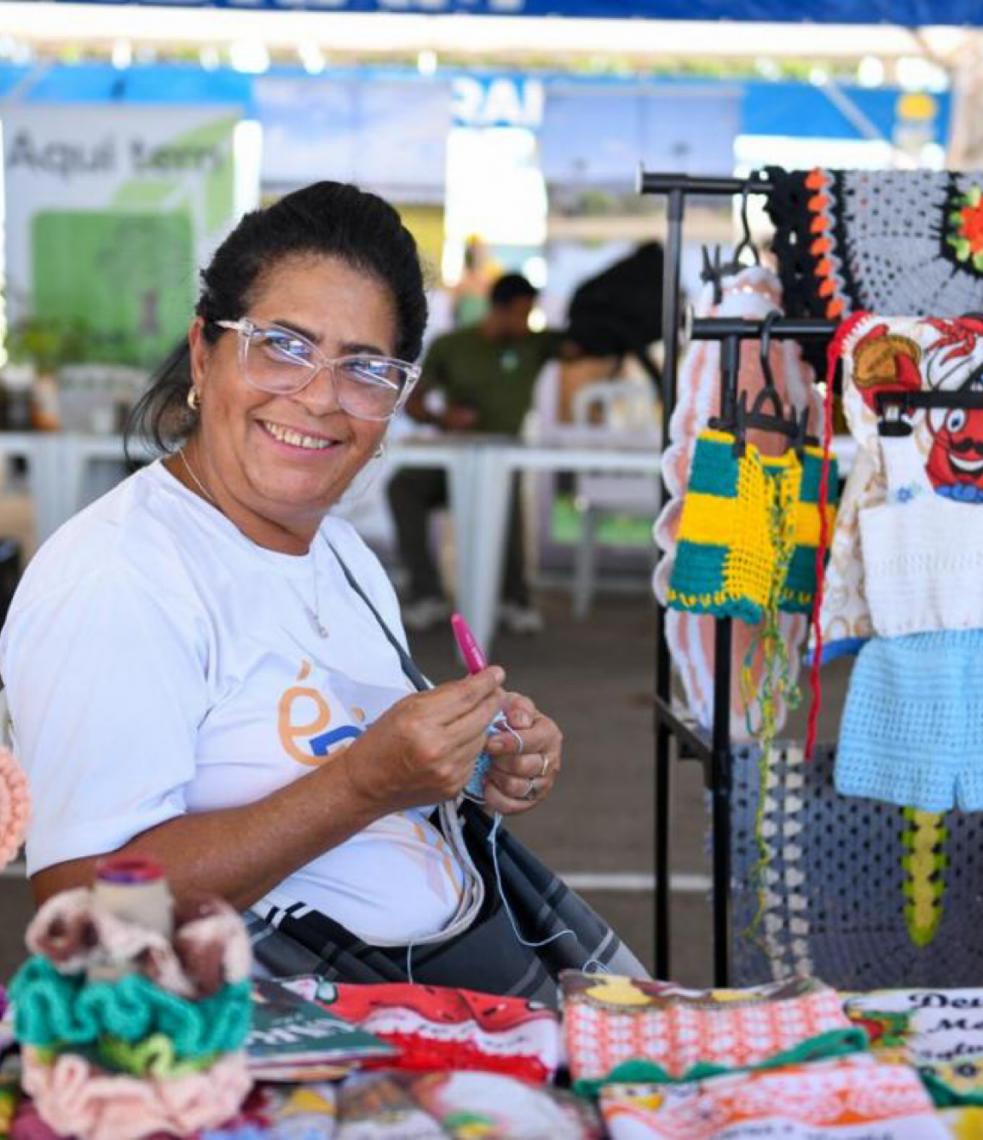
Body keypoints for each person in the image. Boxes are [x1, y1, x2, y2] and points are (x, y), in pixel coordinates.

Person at [0, 182, 642, 1000]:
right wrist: (364, 784)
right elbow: (90, 919)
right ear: (203, 353)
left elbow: (341, 749)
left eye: (366, 368)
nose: (318, 396)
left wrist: (475, 757)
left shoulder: (339, 551)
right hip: (279, 1033)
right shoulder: (117, 577)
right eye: (281, 346)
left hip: (451, 981)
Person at [387, 273, 560, 634]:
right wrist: (442, 418)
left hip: (505, 457)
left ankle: (515, 599)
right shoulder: (453, 345)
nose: (525, 323)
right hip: (456, 455)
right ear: (498, 308)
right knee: (403, 487)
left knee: (506, 494)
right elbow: (413, 402)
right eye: (520, 314)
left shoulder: (535, 344)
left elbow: (581, 347)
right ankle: (426, 594)